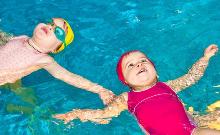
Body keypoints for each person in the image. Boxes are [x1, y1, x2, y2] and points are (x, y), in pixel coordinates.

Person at [54, 45, 220, 135]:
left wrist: (205, 58)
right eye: (131, 65)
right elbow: (104, 114)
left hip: (193, 131)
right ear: (125, 81)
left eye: (143, 60)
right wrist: (75, 114)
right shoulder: (126, 98)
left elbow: (191, 77)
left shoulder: (168, 86)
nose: (139, 64)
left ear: (155, 71)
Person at [0, 18, 115, 106]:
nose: (50, 27)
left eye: (58, 32)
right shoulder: (21, 38)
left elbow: (67, 76)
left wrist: (100, 90)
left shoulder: (44, 60)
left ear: (55, 48)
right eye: (50, 22)